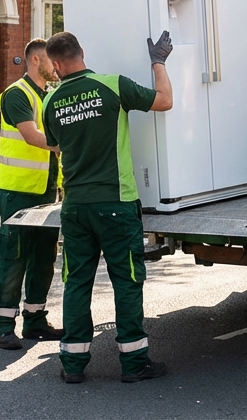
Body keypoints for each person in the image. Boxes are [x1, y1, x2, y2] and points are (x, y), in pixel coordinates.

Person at [42, 30, 173, 384]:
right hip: (116, 202)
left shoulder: (50, 102)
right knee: (127, 281)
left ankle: (72, 365)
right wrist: (158, 61)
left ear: (55, 65)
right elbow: (164, 101)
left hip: (75, 208)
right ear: (82, 52)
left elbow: (56, 146)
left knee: (76, 282)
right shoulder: (112, 85)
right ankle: (133, 364)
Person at [0, 39, 66, 350]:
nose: (56, 66)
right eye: (52, 61)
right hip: (18, 191)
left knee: (43, 258)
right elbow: (32, 136)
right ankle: (4, 327)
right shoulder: (16, 94)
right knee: (15, 257)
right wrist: (67, 143)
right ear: (37, 60)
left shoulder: (47, 95)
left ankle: (35, 321)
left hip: (47, 190)